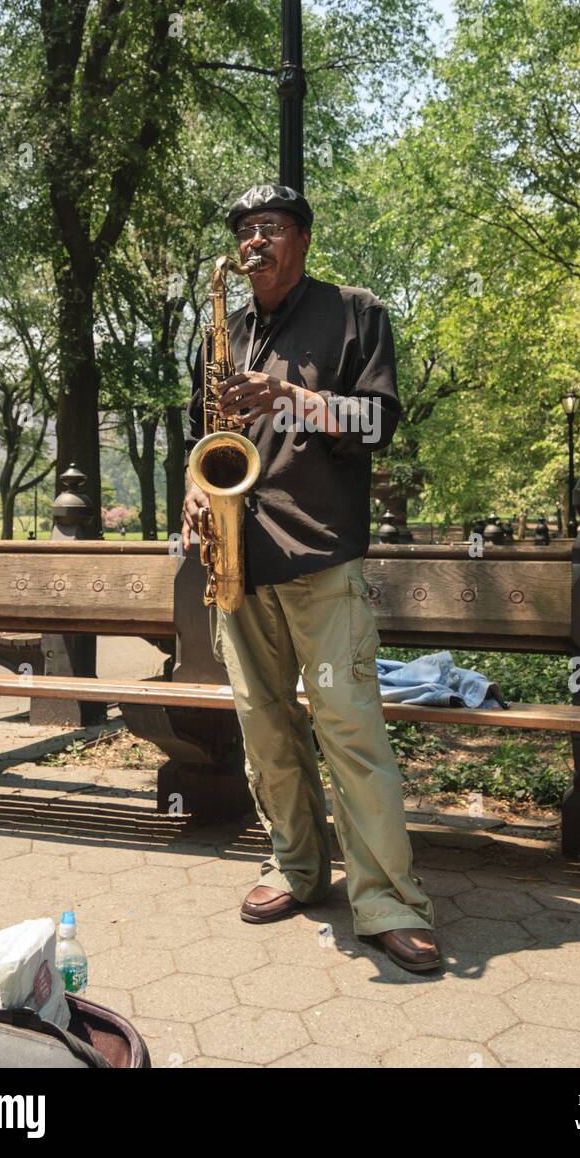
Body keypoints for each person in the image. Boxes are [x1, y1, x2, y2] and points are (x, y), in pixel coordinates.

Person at [182, 182, 440, 973]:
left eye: (268, 228)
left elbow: (376, 423)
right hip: (241, 558)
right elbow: (207, 436)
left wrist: (290, 397)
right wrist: (197, 496)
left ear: (301, 238)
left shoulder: (356, 312)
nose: (253, 242)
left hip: (322, 556)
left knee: (351, 730)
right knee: (267, 733)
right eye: (243, 231)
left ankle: (389, 901)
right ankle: (296, 867)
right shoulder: (222, 330)